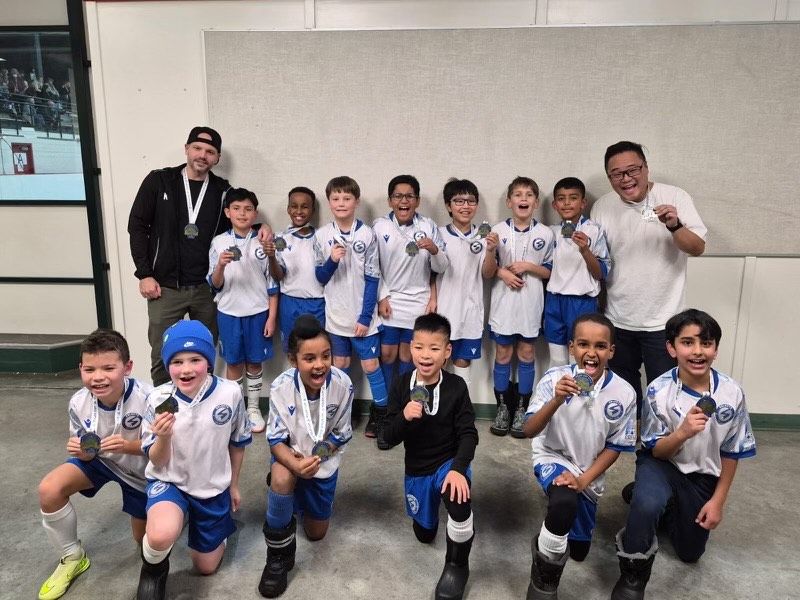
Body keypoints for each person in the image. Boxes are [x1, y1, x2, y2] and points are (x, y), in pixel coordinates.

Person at [609, 309, 756, 600]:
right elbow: (658, 451)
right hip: (663, 464)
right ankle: (632, 575)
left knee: (690, 553)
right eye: (687, 342)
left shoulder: (731, 393)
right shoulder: (657, 391)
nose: (698, 351)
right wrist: (682, 432)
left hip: (702, 475)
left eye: (706, 342)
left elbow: (732, 451)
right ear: (671, 348)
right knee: (648, 504)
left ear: (715, 349)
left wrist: (717, 501)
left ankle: (664, 503)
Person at [128, 126, 270, 385]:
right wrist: (144, 274)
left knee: (205, 352)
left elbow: (241, 218)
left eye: (210, 152)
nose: (203, 155)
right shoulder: (159, 181)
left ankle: (204, 408)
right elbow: (137, 226)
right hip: (165, 286)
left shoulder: (222, 190)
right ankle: (165, 412)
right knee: (163, 351)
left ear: (216, 159)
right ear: (186, 149)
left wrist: (263, 227)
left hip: (207, 290)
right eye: (197, 148)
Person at [522, 314, 636, 599]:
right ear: (572, 347)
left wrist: (585, 479)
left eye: (600, 346)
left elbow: (615, 446)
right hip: (552, 455)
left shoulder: (625, 393)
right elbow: (528, 429)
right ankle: (542, 582)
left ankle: (568, 508)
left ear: (611, 351)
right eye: (583, 344)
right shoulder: (554, 379)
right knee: (563, 501)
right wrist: (557, 399)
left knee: (580, 550)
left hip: (589, 470)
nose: (591, 352)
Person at [136, 320, 251, 600]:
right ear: (167, 365)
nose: (186, 369)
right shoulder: (156, 398)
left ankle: (215, 523)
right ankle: (153, 570)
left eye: (195, 359)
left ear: (209, 362)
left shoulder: (230, 393)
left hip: (211, 485)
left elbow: (237, 443)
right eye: (177, 361)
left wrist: (233, 485)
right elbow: (157, 460)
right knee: (161, 534)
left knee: (206, 567)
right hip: (169, 480)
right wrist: (163, 437)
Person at [591, 141, 706, 412]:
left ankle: (660, 440)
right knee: (623, 386)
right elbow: (599, 265)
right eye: (617, 174)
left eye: (633, 170)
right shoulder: (603, 207)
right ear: (610, 178)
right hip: (618, 316)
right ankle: (630, 430)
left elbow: (697, 248)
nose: (626, 178)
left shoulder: (675, 196)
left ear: (646, 169)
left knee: (664, 389)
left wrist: (674, 225)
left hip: (664, 318)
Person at [37, 330, 152, 600]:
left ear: (128, 367)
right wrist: (83, 452)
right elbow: (88, 450)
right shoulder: (78, 402)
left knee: (144, 541)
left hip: (141, 472)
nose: (97, 377)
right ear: (80, 369)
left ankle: (173, 508)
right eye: (89, 369)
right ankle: (72, 557)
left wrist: (127, 446)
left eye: (109, 368)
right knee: (49, 489)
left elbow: (160, 450)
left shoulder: (148, 397)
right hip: (100, 462)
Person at [384, 313, 479, 600]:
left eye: (435, 348)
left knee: (457, 498)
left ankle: (457, 566)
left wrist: (459, 469)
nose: (426, 355)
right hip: (417, 469)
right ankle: (430, 515)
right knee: (425, 534)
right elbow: (386, 439)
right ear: (411, 347)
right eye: (420, 347)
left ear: (447, 352)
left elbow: (469, 434)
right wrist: (403, 416)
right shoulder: (401, 385)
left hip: (448, 463)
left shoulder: (457, 387)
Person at [259, 315, 353, 598]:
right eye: (309, 358)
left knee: (316, 533)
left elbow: (341, 434)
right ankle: (278, 557)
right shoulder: (280, 388)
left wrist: (318, 457)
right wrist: (295, 464)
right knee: (281, 476)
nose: (319, 364)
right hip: (290, 456)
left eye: (326, 356)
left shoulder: (343, 384)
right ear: (293, 360)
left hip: (321, 462)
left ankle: (293, 493)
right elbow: (275, 440)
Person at [314, 176, 389, 449]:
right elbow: (320, 277)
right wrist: (332, 261)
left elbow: (373, 279)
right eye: (336, 198)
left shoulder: (367, 234)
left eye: (347, 198)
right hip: (335, 318)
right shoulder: (321, 236)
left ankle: (381, 417)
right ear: (329, 202)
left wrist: (365, 318)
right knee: (340, 367)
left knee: (371, 366)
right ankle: (341, 416)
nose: (341, 203)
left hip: (362, 318)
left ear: (356, 201)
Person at [483, 176, 554, 438]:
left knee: (526, 354)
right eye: (518, 194)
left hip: (530, 305)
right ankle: (503, 408)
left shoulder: (545, 233)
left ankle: (522, 408)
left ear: (535, 202)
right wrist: (496, 262)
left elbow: (549, 273)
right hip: (503, 306)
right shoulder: (497, 231)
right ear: (509, 201)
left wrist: (528, 267)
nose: (523, 199)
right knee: (502, 354)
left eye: (528, 195)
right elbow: (487, 272)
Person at [208, 187, 278, 433]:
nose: (242, 213)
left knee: (255, 362)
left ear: (255, 213)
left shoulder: (264, 238)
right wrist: (220, 266)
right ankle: (235, 409)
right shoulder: (219, 242)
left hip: (258, 312)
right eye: (236, 208)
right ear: (227, 212)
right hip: (229, 312)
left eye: (248, 209)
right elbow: (215, 284)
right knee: (234, 362)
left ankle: (253, 408)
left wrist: (271, 317)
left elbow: (273, 282)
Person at [373, 174, 449, 393]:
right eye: (398, 196)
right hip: (389, 301)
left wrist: (435, 250)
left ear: (417, 200)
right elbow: (371, 267)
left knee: (408, 354)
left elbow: (441, 267)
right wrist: (382, 296)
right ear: (390, 201)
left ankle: (405, 403)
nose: (403, 201)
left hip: (418, 302)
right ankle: (386, 407)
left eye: (409, 196)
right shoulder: (379, 227)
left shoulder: (428, 226)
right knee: (387, 353)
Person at [544, 177, 610, 368]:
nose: (566, 203)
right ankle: (558, 397)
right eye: (561, 198)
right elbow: (546, 268)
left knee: (580, 359)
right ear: (554, 204)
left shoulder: (594, 230)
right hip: (554, 300)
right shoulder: (550, 232)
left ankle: (581, 398)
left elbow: (600, 274)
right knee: (557, 360)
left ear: (583, 203)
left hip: (583, 302)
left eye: (573, 198)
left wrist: (585, 250)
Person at [435, 178, 494, 392]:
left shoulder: (484, 235)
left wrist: (491, 251)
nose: (465, 206)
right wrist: (432, 300)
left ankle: (461, 414)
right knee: (436, 363)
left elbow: (487, 274)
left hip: (471, 311)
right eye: (459, 201)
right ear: (448, 206)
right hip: (444, 310)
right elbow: (431, 272)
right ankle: (434, 414)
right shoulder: (439, 234)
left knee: (463, 364)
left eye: (470, 201)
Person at [264, 186, 325, 352]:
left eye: (305, 206)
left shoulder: (323, 237)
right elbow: (278, 275)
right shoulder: (280, 238)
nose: (299, 211)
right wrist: (271, 256)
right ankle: (295, 378)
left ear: (313, 210)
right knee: (292, 350)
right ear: (288, 209)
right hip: (289, 302)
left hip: (316, 303)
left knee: (315, 350)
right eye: (294, 206)